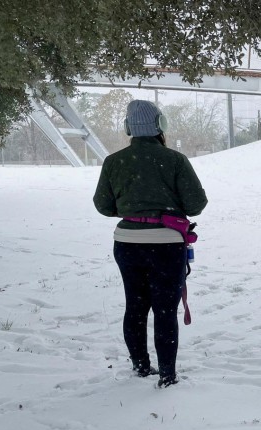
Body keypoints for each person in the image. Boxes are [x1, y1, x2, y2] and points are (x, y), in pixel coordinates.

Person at [93, 100, 208, 388]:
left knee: (135, 306)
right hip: (167, 244)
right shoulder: (175, 160)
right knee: (165, 310)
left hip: (127, 243)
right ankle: (168, 375)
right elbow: (196, 204)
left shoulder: (113, 161)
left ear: (128, 128)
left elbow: (103, 206)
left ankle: (140, 367)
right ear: (160, 125)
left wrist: (132, 208)